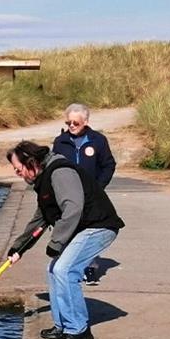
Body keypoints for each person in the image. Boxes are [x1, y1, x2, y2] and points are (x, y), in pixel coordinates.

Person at [6, 141, 124, 339]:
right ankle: (62, 325)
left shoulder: (60, 172)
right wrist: (19, 248)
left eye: (18, 169)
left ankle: (78, 331)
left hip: (99, 226)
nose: (18, 174)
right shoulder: (43, 180)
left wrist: (56, 242)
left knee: (65, 270)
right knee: (53, 269)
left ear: (31, 162)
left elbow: (73, 209)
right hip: (85, 228)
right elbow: (41, 217)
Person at [52, 103, 116, 285]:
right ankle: (68, 266)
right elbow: (54, 167)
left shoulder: (98, 140)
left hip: (92, 195)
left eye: (76, 123)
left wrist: (98, 186)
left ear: (85, 122)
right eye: (69, 122)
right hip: (68, 194)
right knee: (70, 229)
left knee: (89, 230)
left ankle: (90, 267)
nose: (72, 126)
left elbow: (108, 165)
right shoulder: (60, 142)